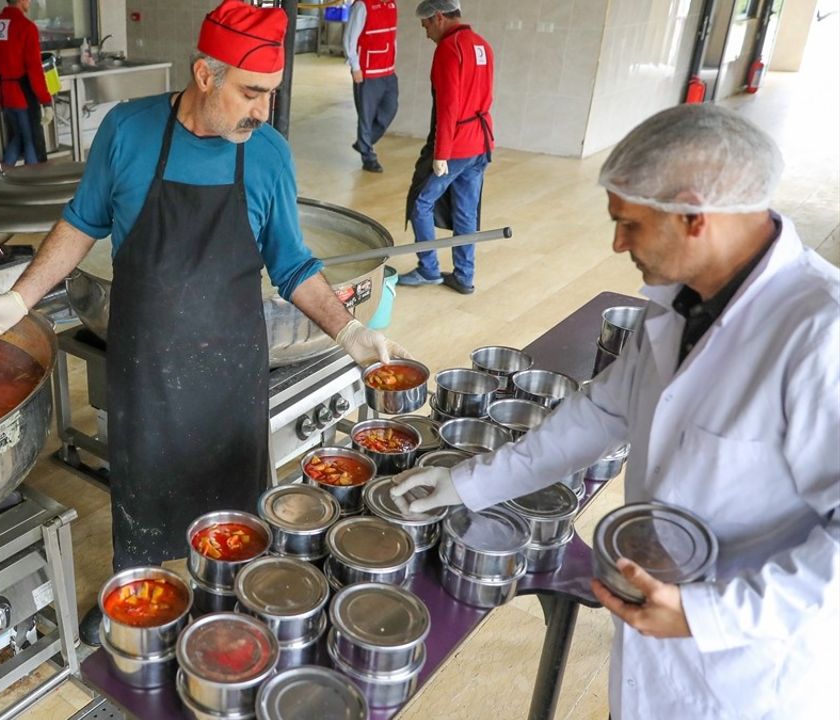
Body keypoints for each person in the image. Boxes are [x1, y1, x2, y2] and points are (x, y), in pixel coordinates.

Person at [0, 0, 409, 646]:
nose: (264, 111)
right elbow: (82, 224)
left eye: (271, 95)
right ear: (205, 75)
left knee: (233, 496)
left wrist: (350, 332)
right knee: (139, 488)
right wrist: (20, 297)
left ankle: (230, 600)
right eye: (252, 93)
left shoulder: (268, 157)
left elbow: (292, 264)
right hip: (146, 366)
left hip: (231, 366)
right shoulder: (127, 131)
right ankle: (133, 589)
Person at [391, 104, 840, 719]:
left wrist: (708, 614)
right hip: (655, 632)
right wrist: (465, 482)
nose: (616, 243)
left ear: (693, 214)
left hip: (751, 669)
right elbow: (600, 412)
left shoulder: (822, 335)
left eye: (628, 224)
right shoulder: (675, 301)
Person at [396, 0, 493, 295]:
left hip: (458, 145)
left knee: (420, 203)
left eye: (426, 25)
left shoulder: (449, 49)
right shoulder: (481, 45)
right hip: (481, 142)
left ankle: (429, 269)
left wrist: (441, 154)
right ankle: (464, 276)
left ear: (438, 17)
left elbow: (449, 106)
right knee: (465, 212)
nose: (426, 33)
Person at [0, 0, 53, 166]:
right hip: (23, 96)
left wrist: (4, 70)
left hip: (4, 95)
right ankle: (32, 185)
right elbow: (34, 70)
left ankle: (2, 179)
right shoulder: (27, 27)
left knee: (17, 138)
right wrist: (46, 101)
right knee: (31, 142)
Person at [343, 0, 399, 173]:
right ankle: (368, 156)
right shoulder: (363, 5)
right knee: (366, 118)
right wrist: (355, 67)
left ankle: (363, 142)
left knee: (390, 109)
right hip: (368, 71)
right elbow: (350, 38)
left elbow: (392, 37)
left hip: (388, 70)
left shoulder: (391, 4)